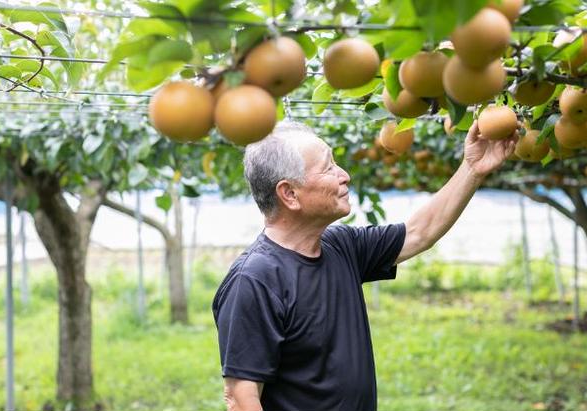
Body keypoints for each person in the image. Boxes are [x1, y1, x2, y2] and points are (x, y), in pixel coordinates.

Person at [212, 120, 517, 411]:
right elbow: (241, 397)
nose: (344, 175)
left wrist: (472, 169)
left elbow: (418, 232)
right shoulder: (255, 280)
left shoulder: (340, 247)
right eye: (329, 167)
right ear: (289, 194)